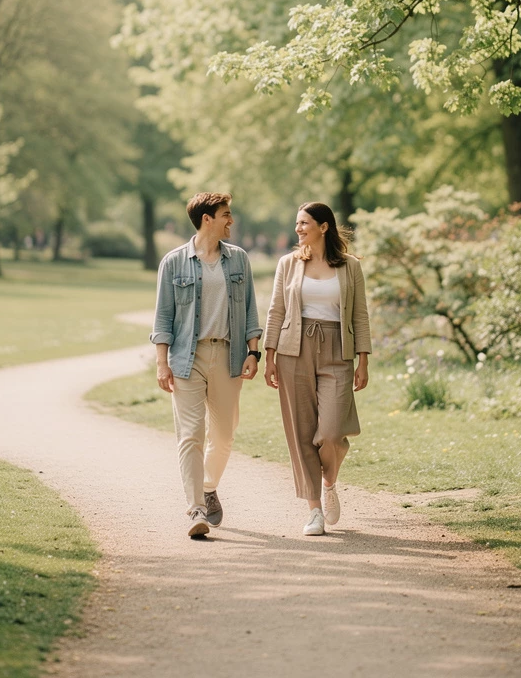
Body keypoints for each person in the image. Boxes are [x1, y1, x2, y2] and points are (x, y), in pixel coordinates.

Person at [151, 192, 262, 538]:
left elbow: (250, 309)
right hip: (187, 357)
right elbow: (164, 316)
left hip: (228, 356)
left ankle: (208, 486)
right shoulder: (174, 262)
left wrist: (253, 351)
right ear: (207, 219)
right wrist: (161, 363)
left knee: (225, 435)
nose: (231, 220)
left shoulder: (238, 260)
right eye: (226, 215)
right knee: (191, 434)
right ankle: (196, 507)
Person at [263, 201, 371, 536]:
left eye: (304, 222)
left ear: (324, 226)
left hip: (338, 350)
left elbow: (360, 314)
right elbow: (276, 310)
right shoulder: (289, 263)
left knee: (332, 432)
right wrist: (269, 355)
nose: (298, 228)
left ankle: (329, 482)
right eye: (296, 223)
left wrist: (363, 358)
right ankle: (314, 510)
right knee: (301, 431)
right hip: (293, 349)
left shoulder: (350, 267)